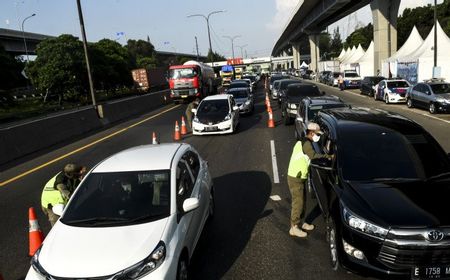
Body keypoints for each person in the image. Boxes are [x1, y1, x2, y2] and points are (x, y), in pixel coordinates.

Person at [287, 122, 331, 238]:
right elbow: (313, 156)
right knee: (298, 202)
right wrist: (329, 157)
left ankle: (301, 224)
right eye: (317, 134)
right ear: (311, 133)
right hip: (295, 176)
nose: (319, 136)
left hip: (299, 176)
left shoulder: (304, 140)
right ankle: (294, 227)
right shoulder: (306, 143)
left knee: (302, 201)